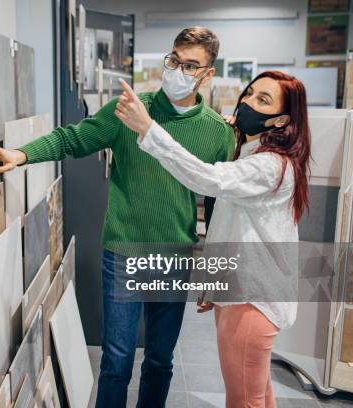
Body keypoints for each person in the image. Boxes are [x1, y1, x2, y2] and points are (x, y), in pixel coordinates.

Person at [0, 27, 236, 408]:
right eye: (175, 60)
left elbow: (219, 207)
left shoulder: (216, 133)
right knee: (117, 361)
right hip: (124, 252)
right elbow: (74, 137)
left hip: (175, 255)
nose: (179, 70)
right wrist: (22, 155)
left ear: (208, 73)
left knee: (159, 361)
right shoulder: (130, 111)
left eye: (191, 65)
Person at [114, 70, 311, 407]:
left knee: (244, 400)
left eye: (263, 100)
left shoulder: (269, 167)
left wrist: (149, 130)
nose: (248, 101)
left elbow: (207, 178)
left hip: (252, 302)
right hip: (245, 295)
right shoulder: (257, 155)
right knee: (259, 396)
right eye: (249, 94)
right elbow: (232, 226)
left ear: (281, 119)